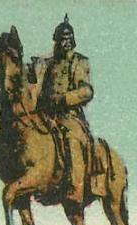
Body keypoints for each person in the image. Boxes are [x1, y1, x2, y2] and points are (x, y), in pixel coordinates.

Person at [33, 15, 95, 204]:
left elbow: (86, 91)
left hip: (69, 116)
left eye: (68, 39)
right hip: (47, 115)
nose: (64, 43)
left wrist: (63, 99)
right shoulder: (48, 64)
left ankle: (76, 189)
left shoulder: (79, 62)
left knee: (71, 138)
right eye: (61, 39)